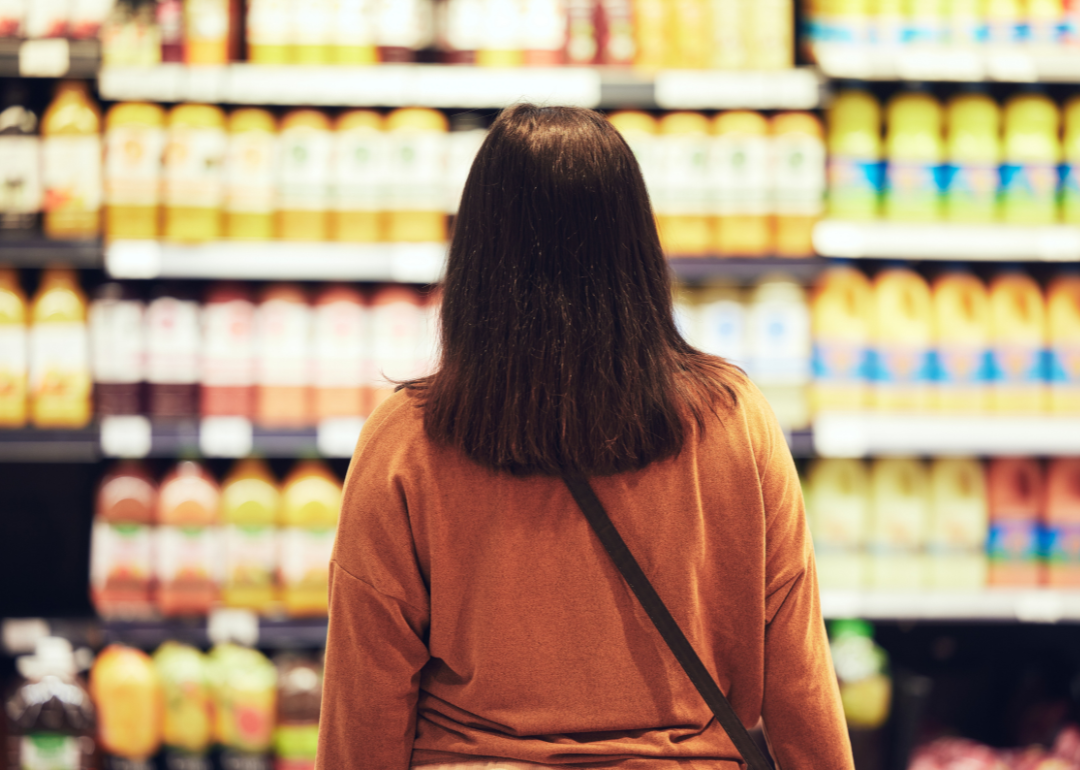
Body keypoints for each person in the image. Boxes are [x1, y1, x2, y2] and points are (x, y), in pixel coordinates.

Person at [316, 104, 854, 770]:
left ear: (477, 253)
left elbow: (364, 707)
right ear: (636, 245)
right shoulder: (735, 422)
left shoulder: (406, 441)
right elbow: (799, 678)